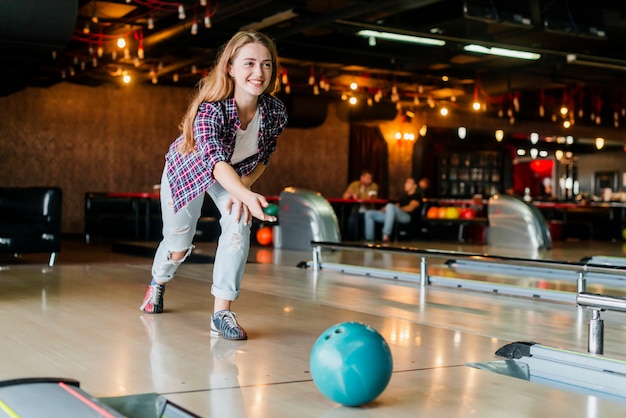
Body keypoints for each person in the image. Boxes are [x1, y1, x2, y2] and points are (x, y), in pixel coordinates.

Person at [139, 30, 288, 341]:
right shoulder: (212, 108)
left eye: (266, 65)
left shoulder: (274, 111)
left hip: (234, 175)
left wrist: (243, 188)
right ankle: (157, 282)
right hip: (189, 171)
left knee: (239, 223)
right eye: (249, 63)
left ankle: (222, 312)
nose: (258, 73)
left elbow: (265, 154)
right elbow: (215, 162)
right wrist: (244, 193)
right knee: (178, 246)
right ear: (230, 67)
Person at [364, 177, 425, 243]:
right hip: (395, 215)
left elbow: (410, 208)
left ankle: (386, 235)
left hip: (407, 217)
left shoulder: (416, 196)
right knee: (369, 213)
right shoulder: (403, 197)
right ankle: (369, 239)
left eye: (408, 183)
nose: (405, 184)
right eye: (405, 182)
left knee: (390, 206)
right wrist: (386, 209)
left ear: (415, 186)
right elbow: (396, 206)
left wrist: (394, 209)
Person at [342, 169, 379, 240]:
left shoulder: (374, 186)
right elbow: (345, 196)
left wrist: (356, 197)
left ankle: (365, 240)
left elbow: (370, 199)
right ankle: (351, 241)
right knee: (351, 220)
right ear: (362, 177)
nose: (370, 180)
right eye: (368, 178)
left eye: (371, 178)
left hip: (368, 211)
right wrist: (350, 195)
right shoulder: (354, 185)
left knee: (366, 219)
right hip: (355, 210)